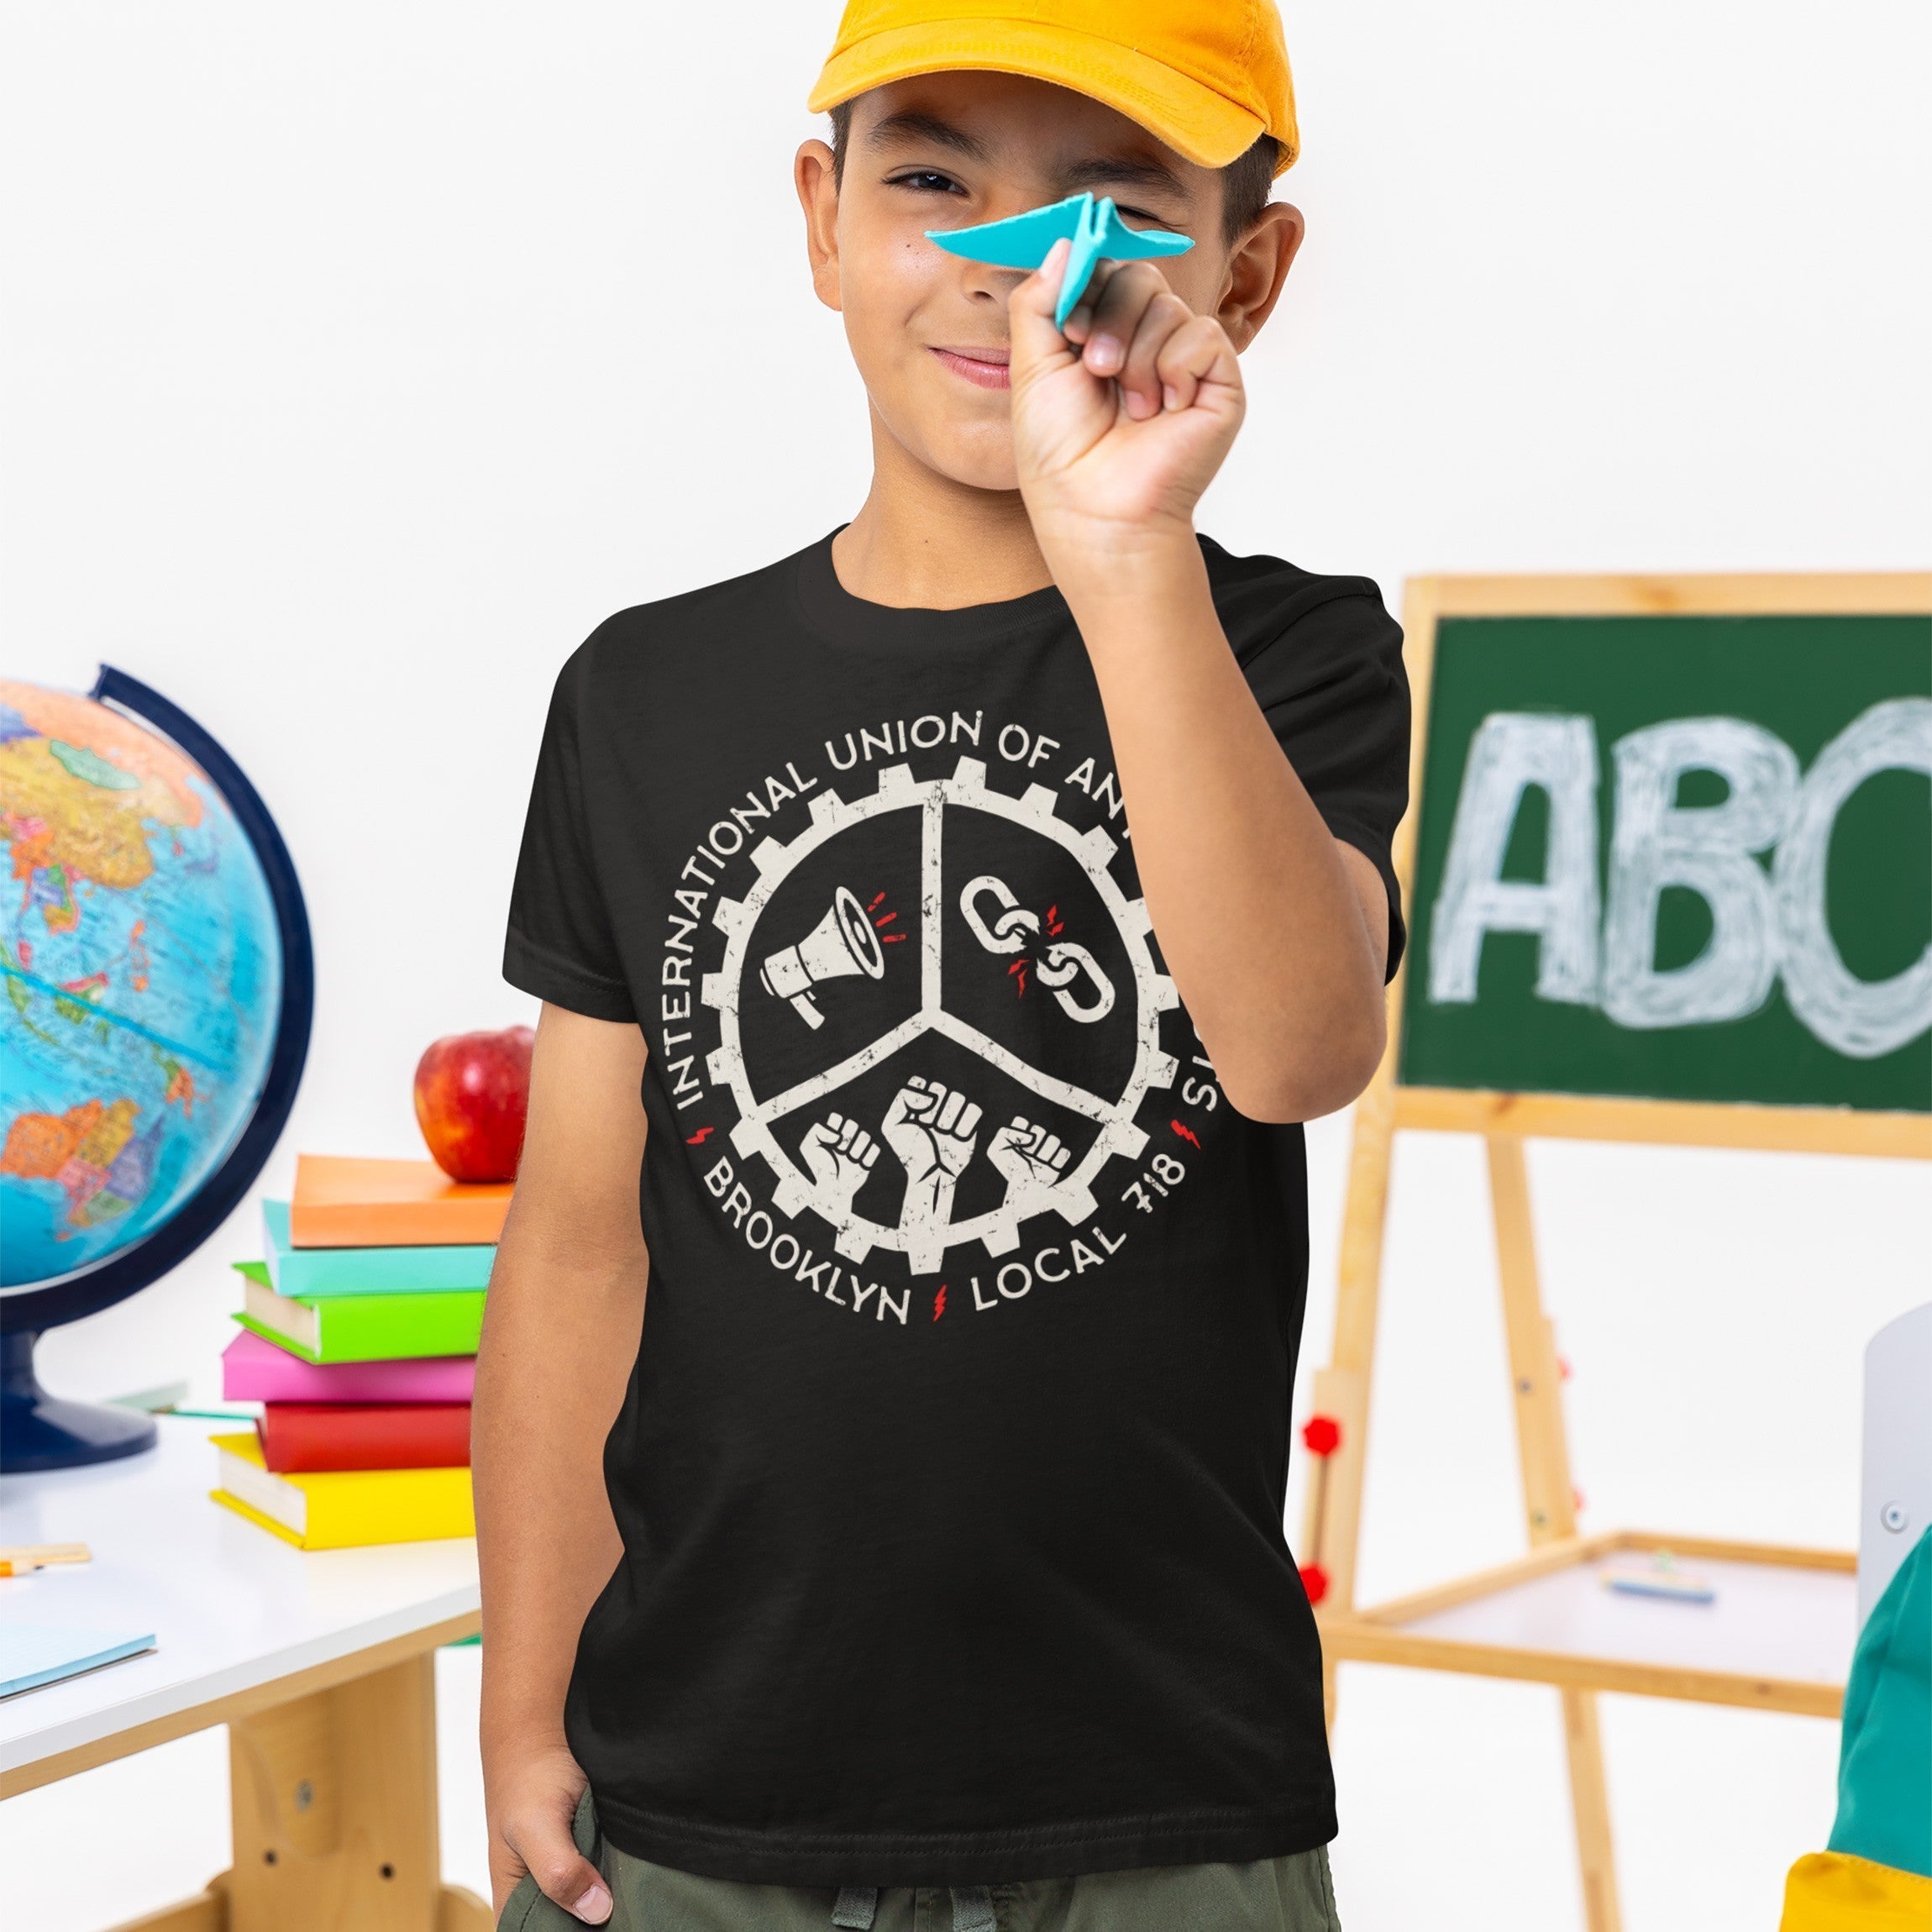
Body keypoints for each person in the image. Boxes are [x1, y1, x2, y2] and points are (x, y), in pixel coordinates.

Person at [477, 3, 1409, 1928]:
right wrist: (523, 1683)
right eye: (931, 181)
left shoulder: (1291, 654)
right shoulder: (643, 693)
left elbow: (1297, 1047)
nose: (1012, 264)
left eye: (1110, 204)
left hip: (1163, 1788)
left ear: (1245, 269)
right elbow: (582, 1239)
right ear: (820, 221)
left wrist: (1125, 545)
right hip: (696, 1786)